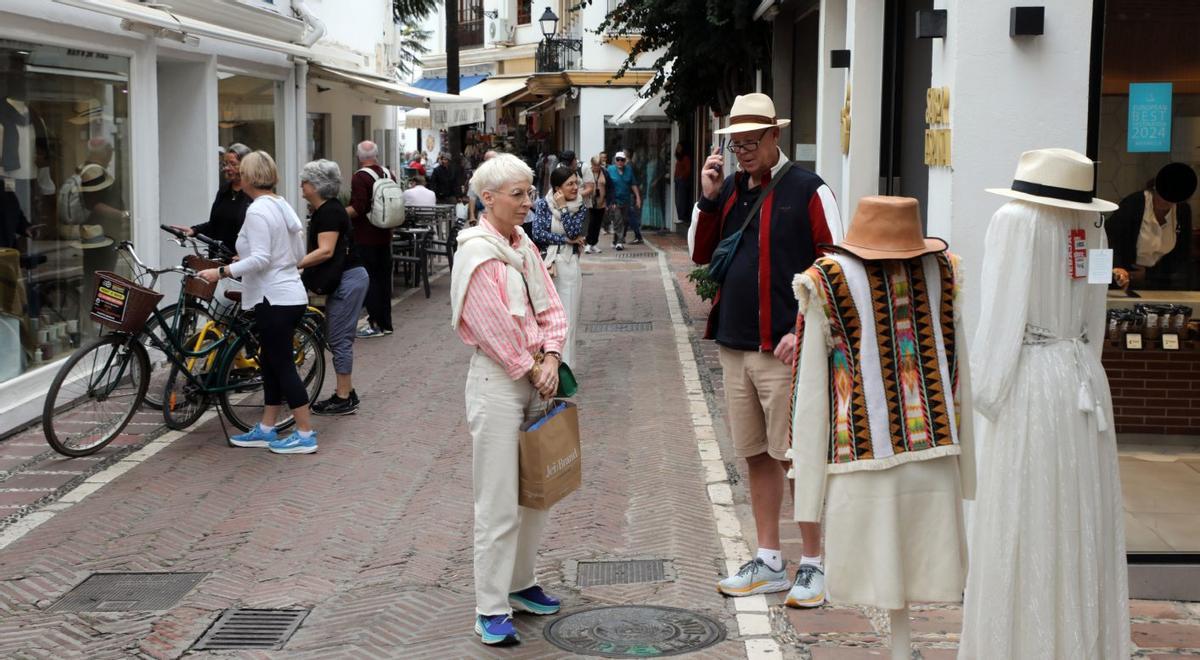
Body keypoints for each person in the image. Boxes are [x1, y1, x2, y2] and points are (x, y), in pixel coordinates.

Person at [962, 148, 1129, 658]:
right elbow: (1094, 318)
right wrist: (1086, 367)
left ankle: (1021, 641)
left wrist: (984, 394)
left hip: (1031, 379)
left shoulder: (1014, 221)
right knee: (1076, 509)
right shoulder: (1093, 227)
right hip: (1081, 377)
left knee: (1025, 509)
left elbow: (1001, 312)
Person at [688, 93, 843, 607]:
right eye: (737, 144)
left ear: (776, 136)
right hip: (736, 346)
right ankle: (770, 559)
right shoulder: (729, 190)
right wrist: (708, 198)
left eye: (752, 142)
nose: (743, 152)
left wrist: (808, 330)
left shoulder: (810, 190)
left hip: (786, 351)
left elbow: (836, 269)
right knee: (756, 454)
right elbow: (701, 255)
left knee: (797, 457)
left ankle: (815, 564)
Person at [449, 153, 567, 647]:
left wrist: (554, 356)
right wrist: (533, 367)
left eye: (529, 192)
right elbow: (490, 326)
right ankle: (490, 607)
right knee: (497, 500)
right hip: (499, 383)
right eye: (517, 194)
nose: (527, 202)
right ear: (488, 198)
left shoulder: (525, 247)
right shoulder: (476, 253)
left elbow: (552, 308)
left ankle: (521, 584)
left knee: (537, 492)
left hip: (535, 376)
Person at [196, 151, 316, 454]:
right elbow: (297, 252)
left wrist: (221, 271)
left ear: (248, 177)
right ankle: (266, 427)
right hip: (288, 293)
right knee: (272, 364)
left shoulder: (257, 211)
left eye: (241, 172)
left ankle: (305, 433)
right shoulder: (281, 204)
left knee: (283, 366)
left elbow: (262, 258)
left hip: (273, 296)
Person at [297, 159, 369, 416]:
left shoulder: (328, 212)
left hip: (348, 279)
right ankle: (346, 391)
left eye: (305, 182)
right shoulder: (329, 209)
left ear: (315, 186)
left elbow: (325, 251)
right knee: (337, 336)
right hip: (349, 277)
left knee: (339, 338)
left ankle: (343, 397)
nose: (301, 186)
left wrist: (295, 263)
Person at [1106, 162, 1197, 291]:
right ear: (1154, 187)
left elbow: (1182, 255)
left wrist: (1149, 275)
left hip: (1160, 283)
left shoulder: (1182, 211)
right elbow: (1111, 238)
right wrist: (1117, 267)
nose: (1166, 200)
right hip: (1123, 280)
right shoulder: (1134, 203)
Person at [531, 165, 588, 367]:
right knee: (547, 318)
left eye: (576, 183)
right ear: (557, 188)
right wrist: (563, 240)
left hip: (569, 266)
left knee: (568, 318)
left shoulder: (580, 206)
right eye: (570, 184)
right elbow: (538, 234)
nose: (575, 187)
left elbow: (574, 233)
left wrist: (564, 208)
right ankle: (546, 363)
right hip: (548, 265)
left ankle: (566, 368)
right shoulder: (543, 205)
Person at [347, 140, 396, 339]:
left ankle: (375, 324)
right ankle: (386, 323)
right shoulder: (388, 173)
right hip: (385, 234)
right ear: (376, 154)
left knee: (370, 281)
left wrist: (336, 214)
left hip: (365, 236)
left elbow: (358, 208)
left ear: (358, 156)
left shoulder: (360, 177)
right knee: (383, 281)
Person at [172, 143, 252, 255]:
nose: (227, 168)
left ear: (246, 165)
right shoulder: (224, 191)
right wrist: (194, 230)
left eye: (233, 164)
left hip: (241, 262)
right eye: (225, 164)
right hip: (218, 258)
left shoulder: (253, 193)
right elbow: (216, 224)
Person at [605, 151, 642, 250]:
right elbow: (606, 186)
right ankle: (620, 242)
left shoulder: (629, 170)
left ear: (625, 161)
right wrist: (607, 201)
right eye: (618, 160)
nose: (620, 162)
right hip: (614, 200)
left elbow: (633, 184)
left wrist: (638, 198)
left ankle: (615, 240)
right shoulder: (610, 170)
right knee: (618, 220)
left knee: (624, 221)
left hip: (626, 200)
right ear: (615, 160)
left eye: (622, 160)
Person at [584, 155, 607, 254]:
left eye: (598, 165)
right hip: (590, 202)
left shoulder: (605, 172)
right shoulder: (587, 172)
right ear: (592, 164)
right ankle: (588, 243)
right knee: (591, 223)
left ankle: (594, 243)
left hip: (601, 203)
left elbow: (609, 186)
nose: (597, 167)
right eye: (595, 165)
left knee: (598, 224)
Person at [673, 142, 693, 226]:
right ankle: (680, 217)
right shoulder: (679, 158)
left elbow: (688, 170)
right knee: (677, 199)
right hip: (678, 181)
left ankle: (683, 217)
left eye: (679, 147)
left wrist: (681, 177)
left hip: (682, 181)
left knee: (681, 200)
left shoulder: (685, 158)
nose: (678, 148)